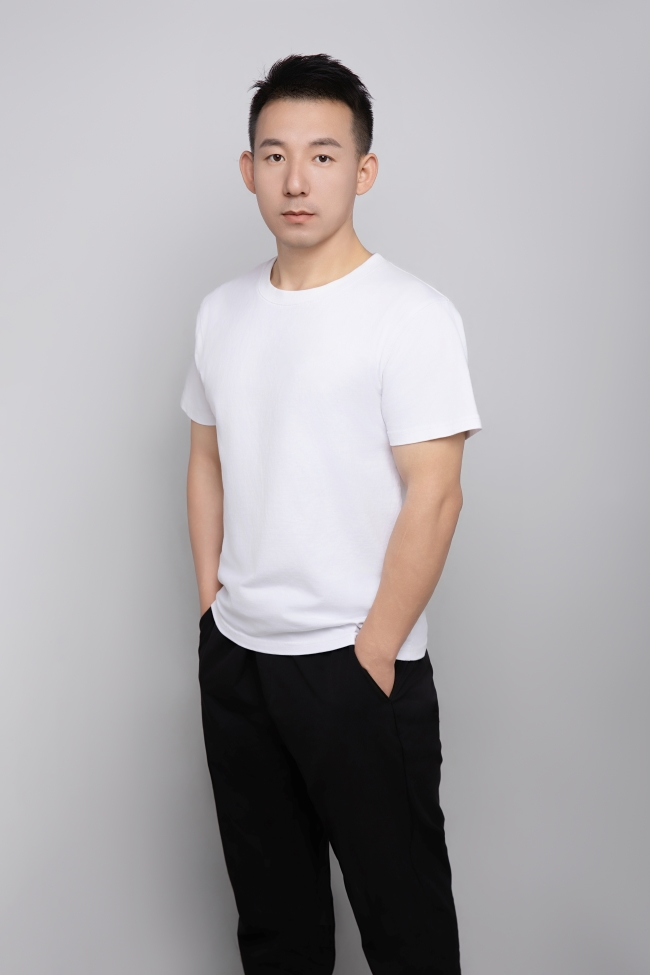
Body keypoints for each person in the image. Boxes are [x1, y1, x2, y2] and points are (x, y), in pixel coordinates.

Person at [181, 53, 481, 975]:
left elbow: (437, 494)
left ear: (364, 170)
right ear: (248, 170)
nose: (296, 180)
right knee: (276, 926)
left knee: (406, 927)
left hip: (355, 663)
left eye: (322, 155)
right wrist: (212, 611)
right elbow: (205, 461)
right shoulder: (221, 311)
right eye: (275, 156)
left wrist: (375, 651)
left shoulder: (411, 314)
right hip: (241, 657)